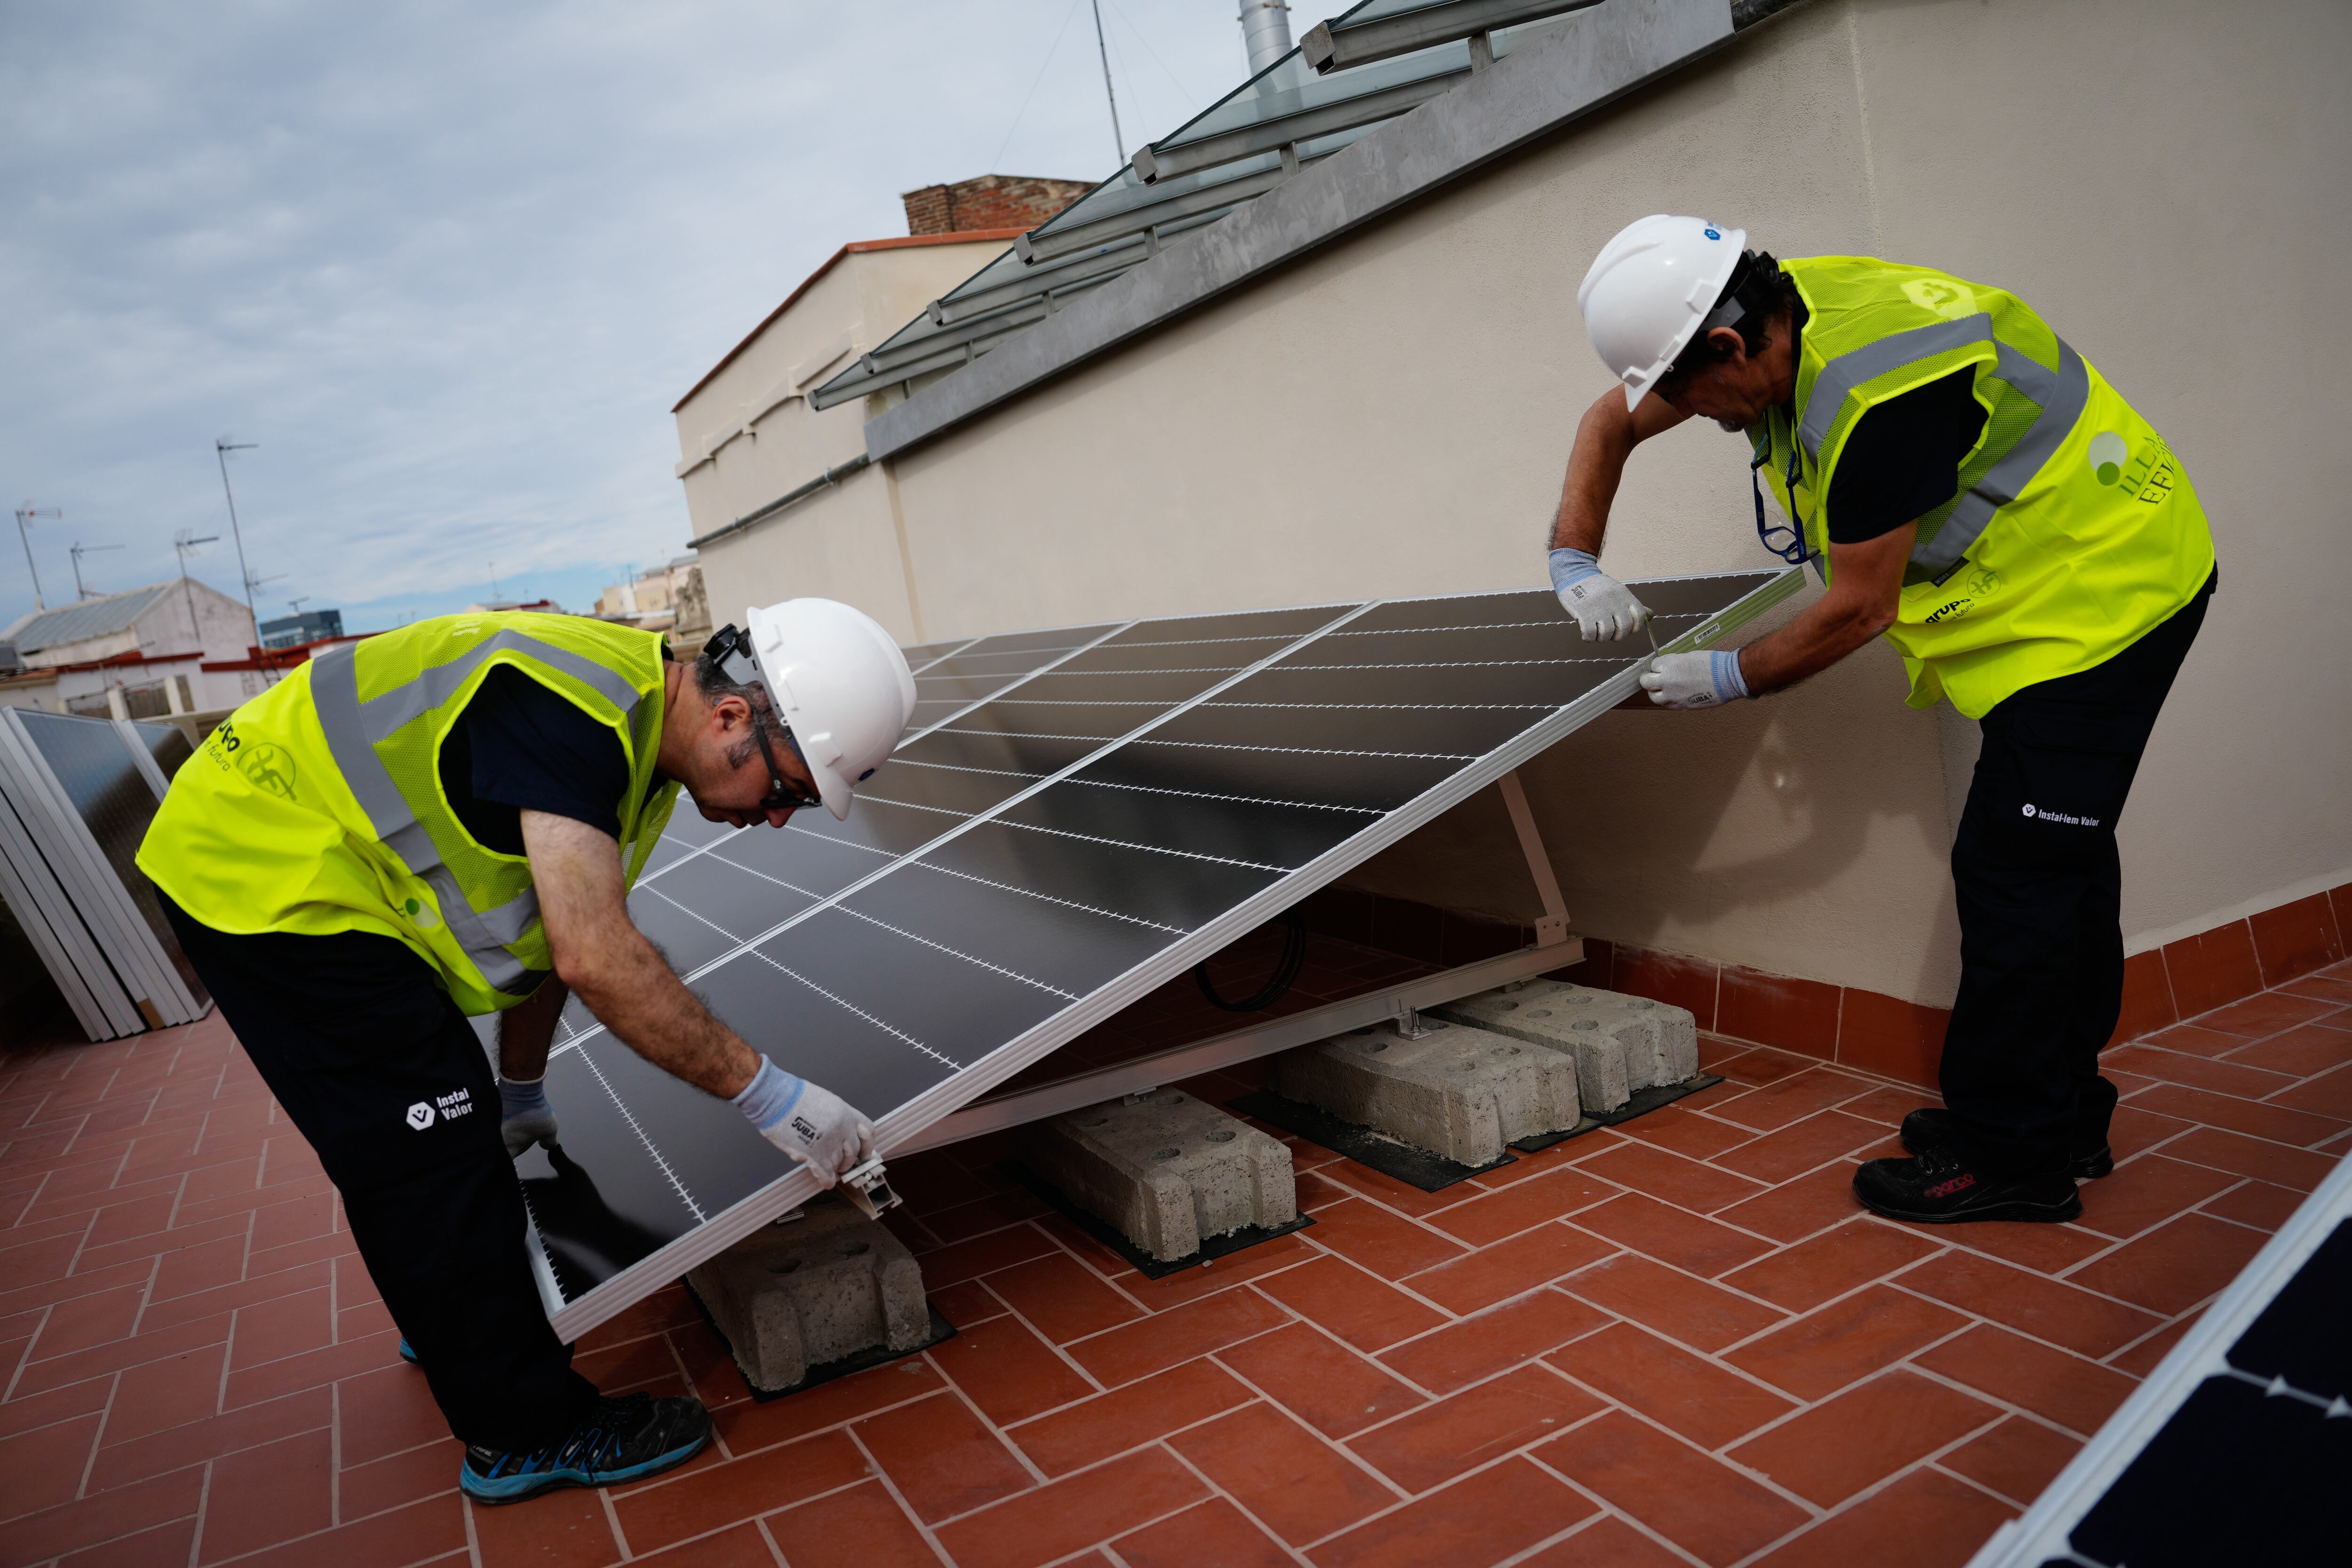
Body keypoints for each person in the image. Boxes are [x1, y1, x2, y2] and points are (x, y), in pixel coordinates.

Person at [135, 597, 916, 1502]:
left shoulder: (634, 734)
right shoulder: (575, 714)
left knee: (452, 1123)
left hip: (307, 859)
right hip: (260, 866)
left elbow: (554, 934)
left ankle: (455, 1318)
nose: (780, 817)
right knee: (426, 1153)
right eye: (787, 789)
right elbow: (595, 954)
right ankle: (522, 1431)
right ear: (733, 716)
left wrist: (518, 1087)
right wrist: (770, 1095)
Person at [1551, 215, 2215, 1226]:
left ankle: (2017, 1158)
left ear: (1727, 346)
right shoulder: (1765, 306)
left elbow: (1862, 606)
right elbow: (1610, 419)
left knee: (2015, 875)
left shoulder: (1880, 398)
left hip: (2109, 595)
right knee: (2054, 869)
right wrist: (1574, 558)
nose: (1709, 421)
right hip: (2045, 608)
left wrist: (1724, 678)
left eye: (1702, 400)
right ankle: (2059, 1116)